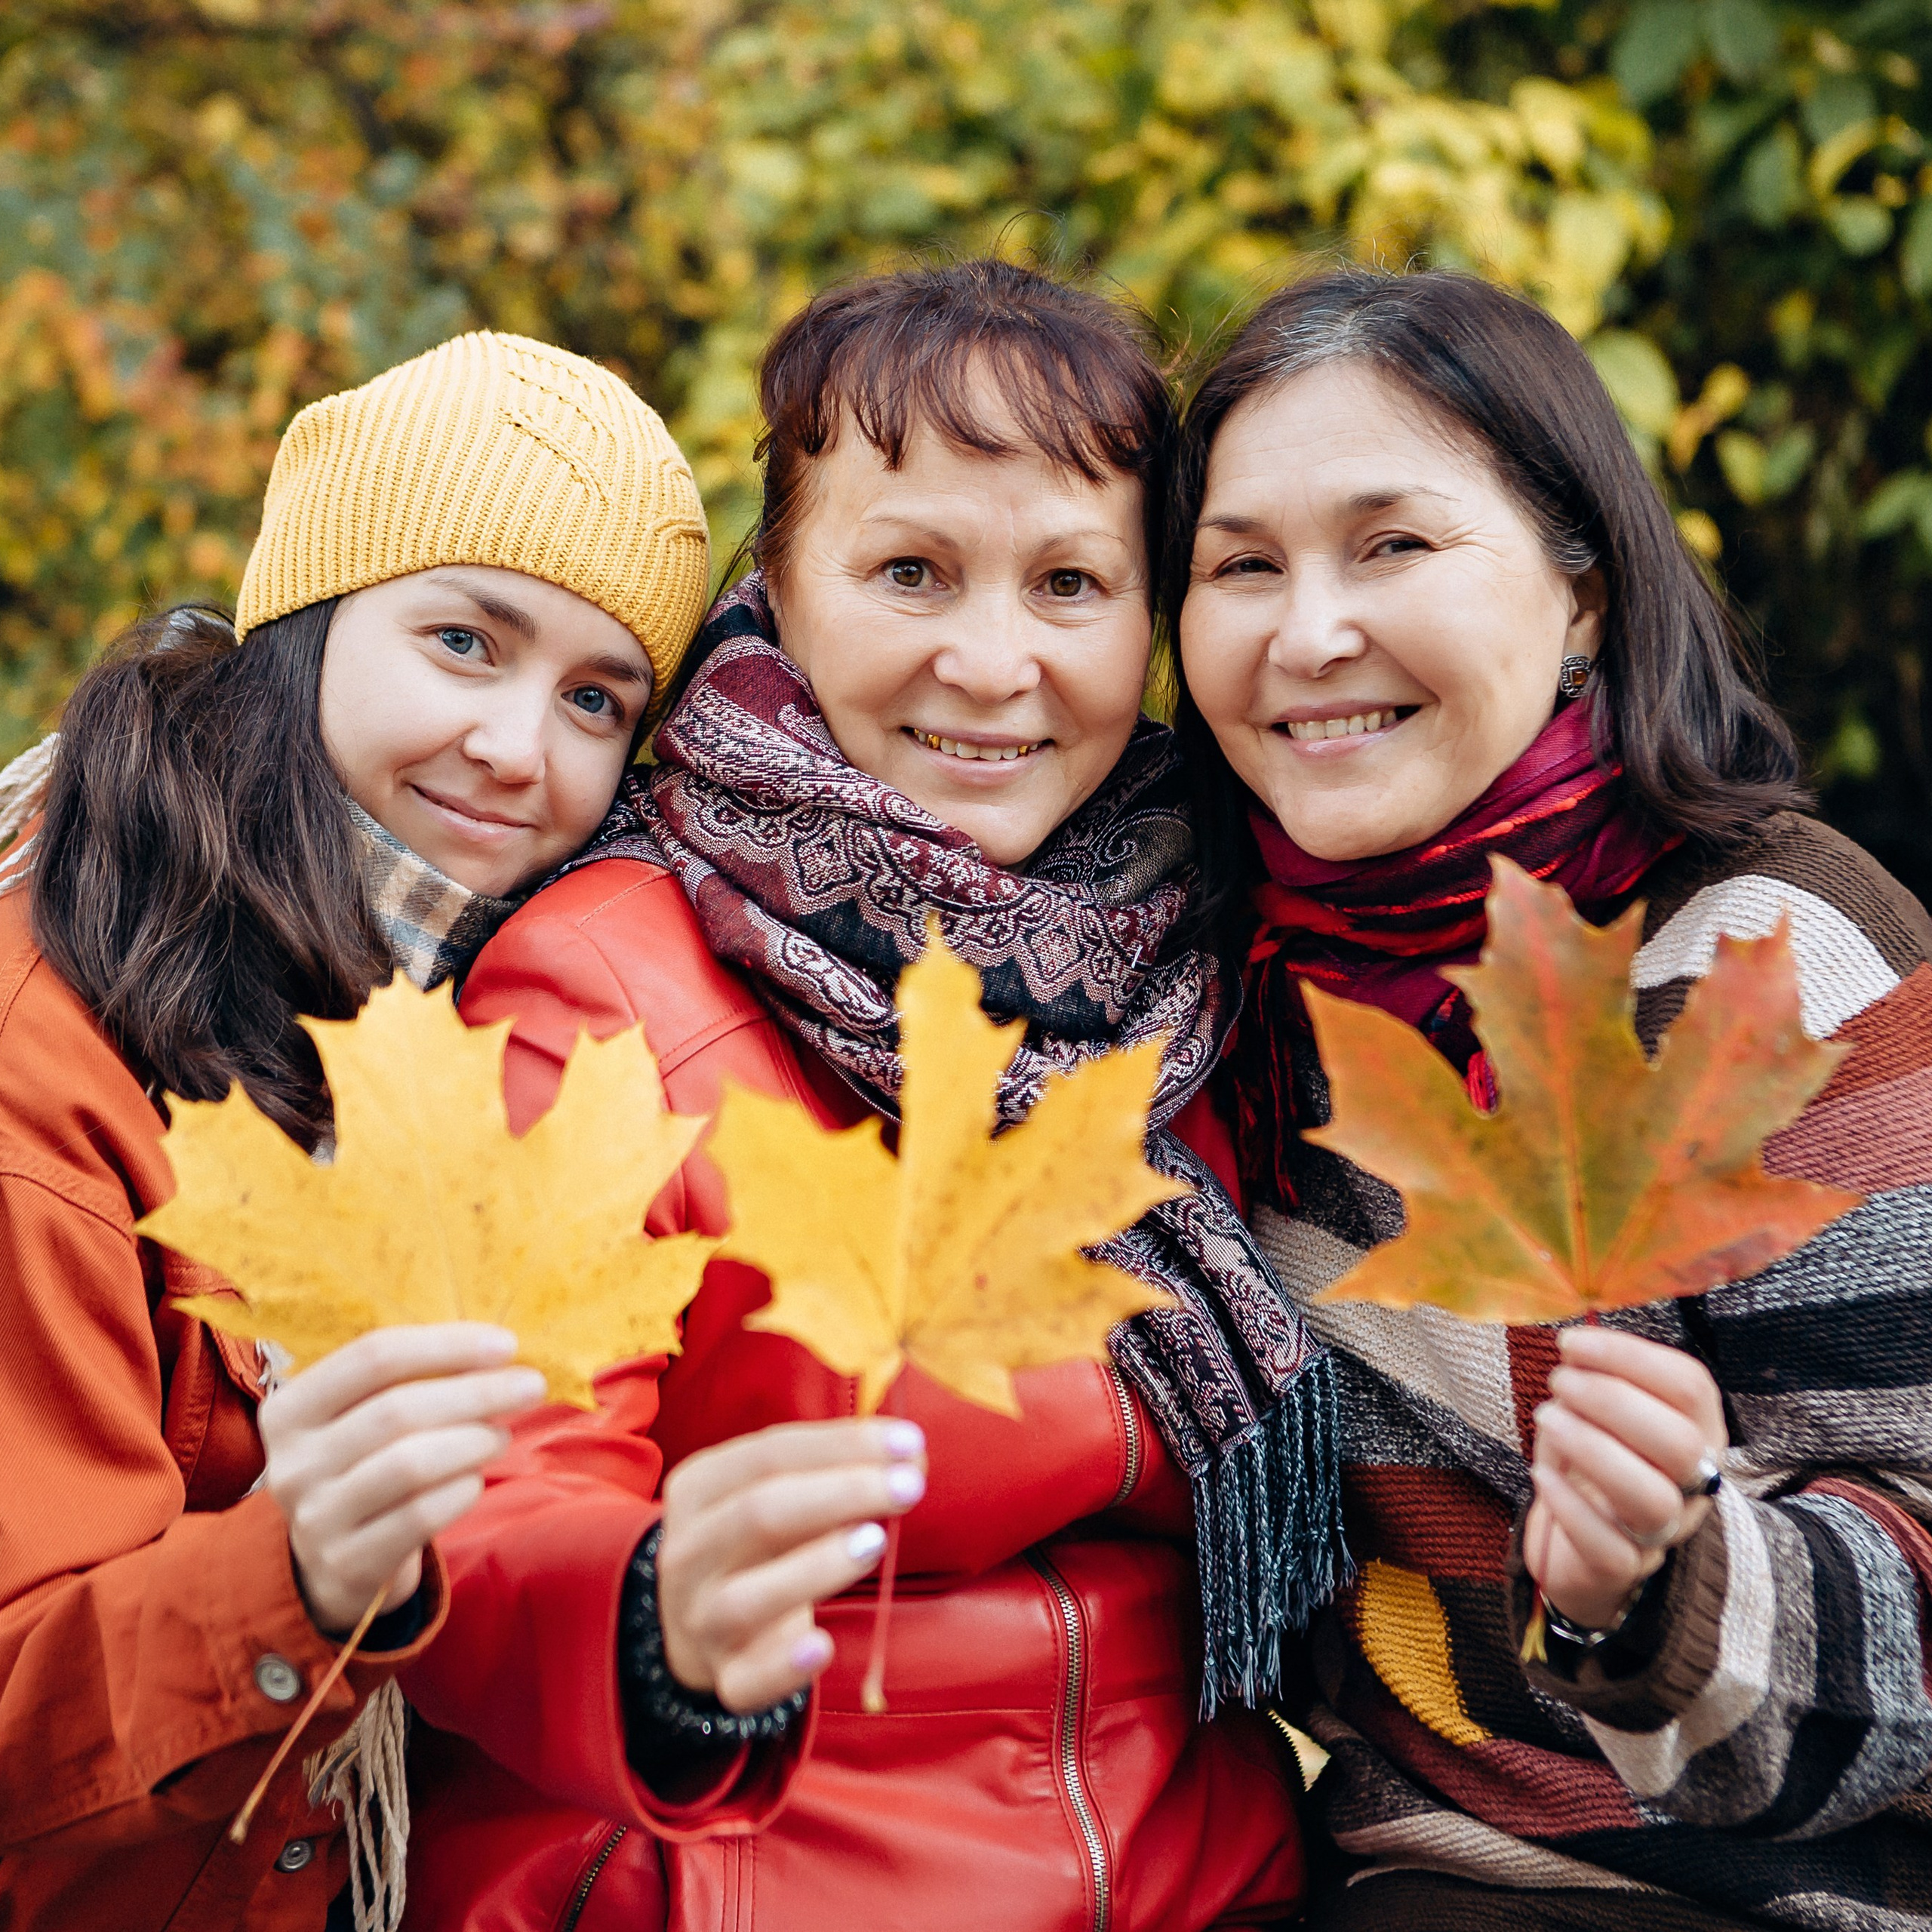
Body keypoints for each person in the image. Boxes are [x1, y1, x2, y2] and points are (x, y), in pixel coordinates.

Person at [398, 259, 1345, 1932]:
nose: (991, 664)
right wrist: (652, 1616)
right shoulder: (603, 983)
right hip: (755, 1874)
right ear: (780, 576)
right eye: (910, 570)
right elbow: (496, 1485)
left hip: (1207, 1879)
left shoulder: (1196, 960)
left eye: (1068, 582)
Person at [1170, 265, 1932, 1930]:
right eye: (1240, 565)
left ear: (1578, 588)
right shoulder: (1205, 1006)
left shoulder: (1765, 962)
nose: (1307, 633)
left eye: (1392, 544)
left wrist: (1660, 1589)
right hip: (1408, 1874)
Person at [0, 330, 711, 1932]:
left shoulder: (473, 1011)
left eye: (596, 696)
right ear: (304, 623)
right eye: (465, 639)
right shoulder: (50, 1065)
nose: (521, 747)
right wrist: (294, 1567)